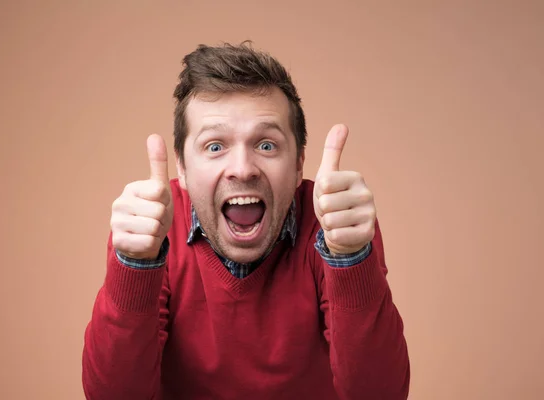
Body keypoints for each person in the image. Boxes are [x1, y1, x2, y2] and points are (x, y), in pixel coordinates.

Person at [82, 42, 410, 400]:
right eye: (215, 146)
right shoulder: (153, 228)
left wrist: (351, 260)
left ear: (299, 163)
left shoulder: (335, 224)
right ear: (183, 167)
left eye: (266, 145)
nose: (242, 169)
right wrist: (134, 266)